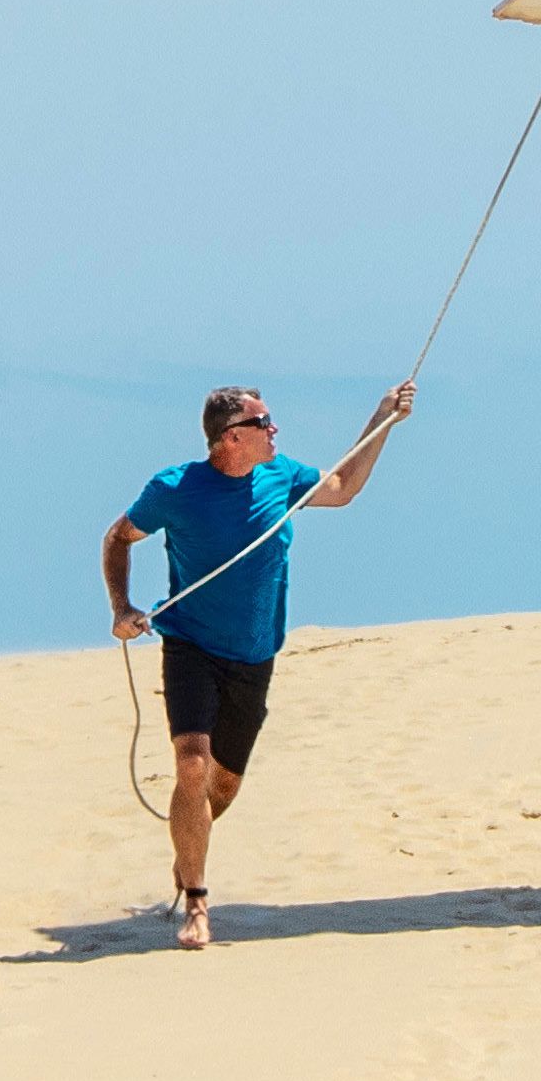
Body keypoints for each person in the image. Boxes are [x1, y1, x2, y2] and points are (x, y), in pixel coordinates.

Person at [107, 379, 407, 949]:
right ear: (230, 438)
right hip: (190, 644)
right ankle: (196, 900)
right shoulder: (174, 488)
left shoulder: (282, 475)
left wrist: (383, 418)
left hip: (254, 654)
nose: (275, 431)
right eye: (263, 423)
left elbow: (342, 487)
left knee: (221, 786)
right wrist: (122, 608)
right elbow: (118, 538)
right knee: (191, 765)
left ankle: (186, 853)